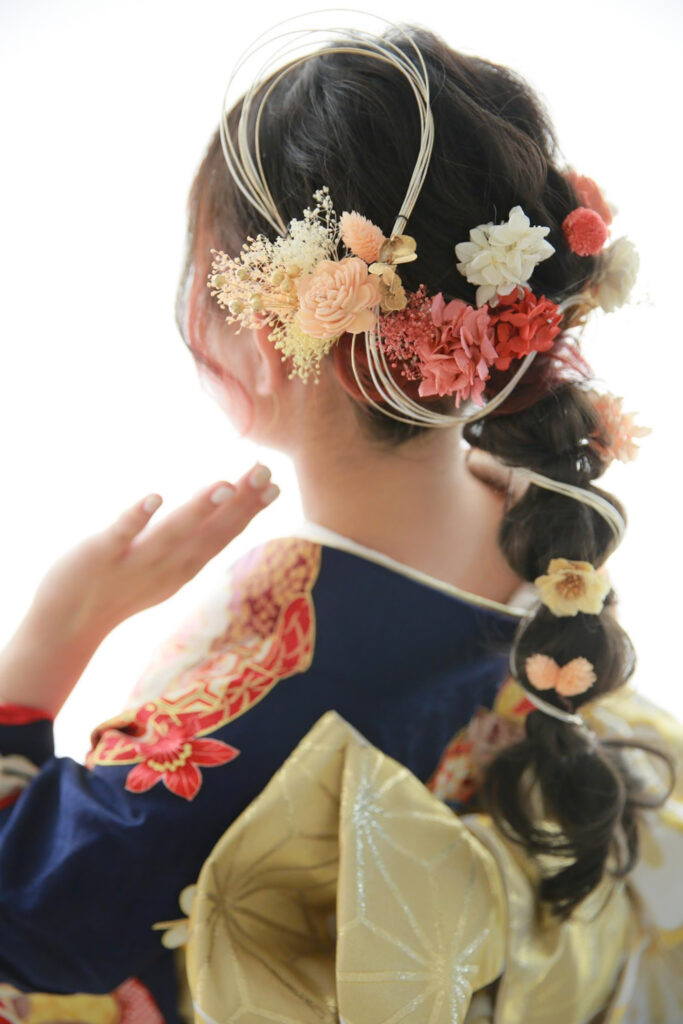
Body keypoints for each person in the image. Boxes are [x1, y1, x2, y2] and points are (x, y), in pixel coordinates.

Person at [0, 16, 681, 1024]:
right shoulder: (544, 521)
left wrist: (55, 634)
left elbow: (31, 919)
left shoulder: (280, 647)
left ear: (270, 335)